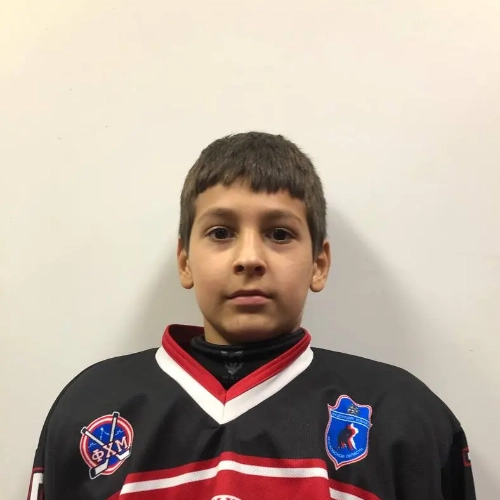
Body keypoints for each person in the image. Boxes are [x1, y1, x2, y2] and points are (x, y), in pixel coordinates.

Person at [28, 132, 476, 500]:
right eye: (221, 232)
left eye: (279, 234)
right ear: (184, 262)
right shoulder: (90, 406)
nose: (249, 258)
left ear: (319, 264)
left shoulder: (402, 416)